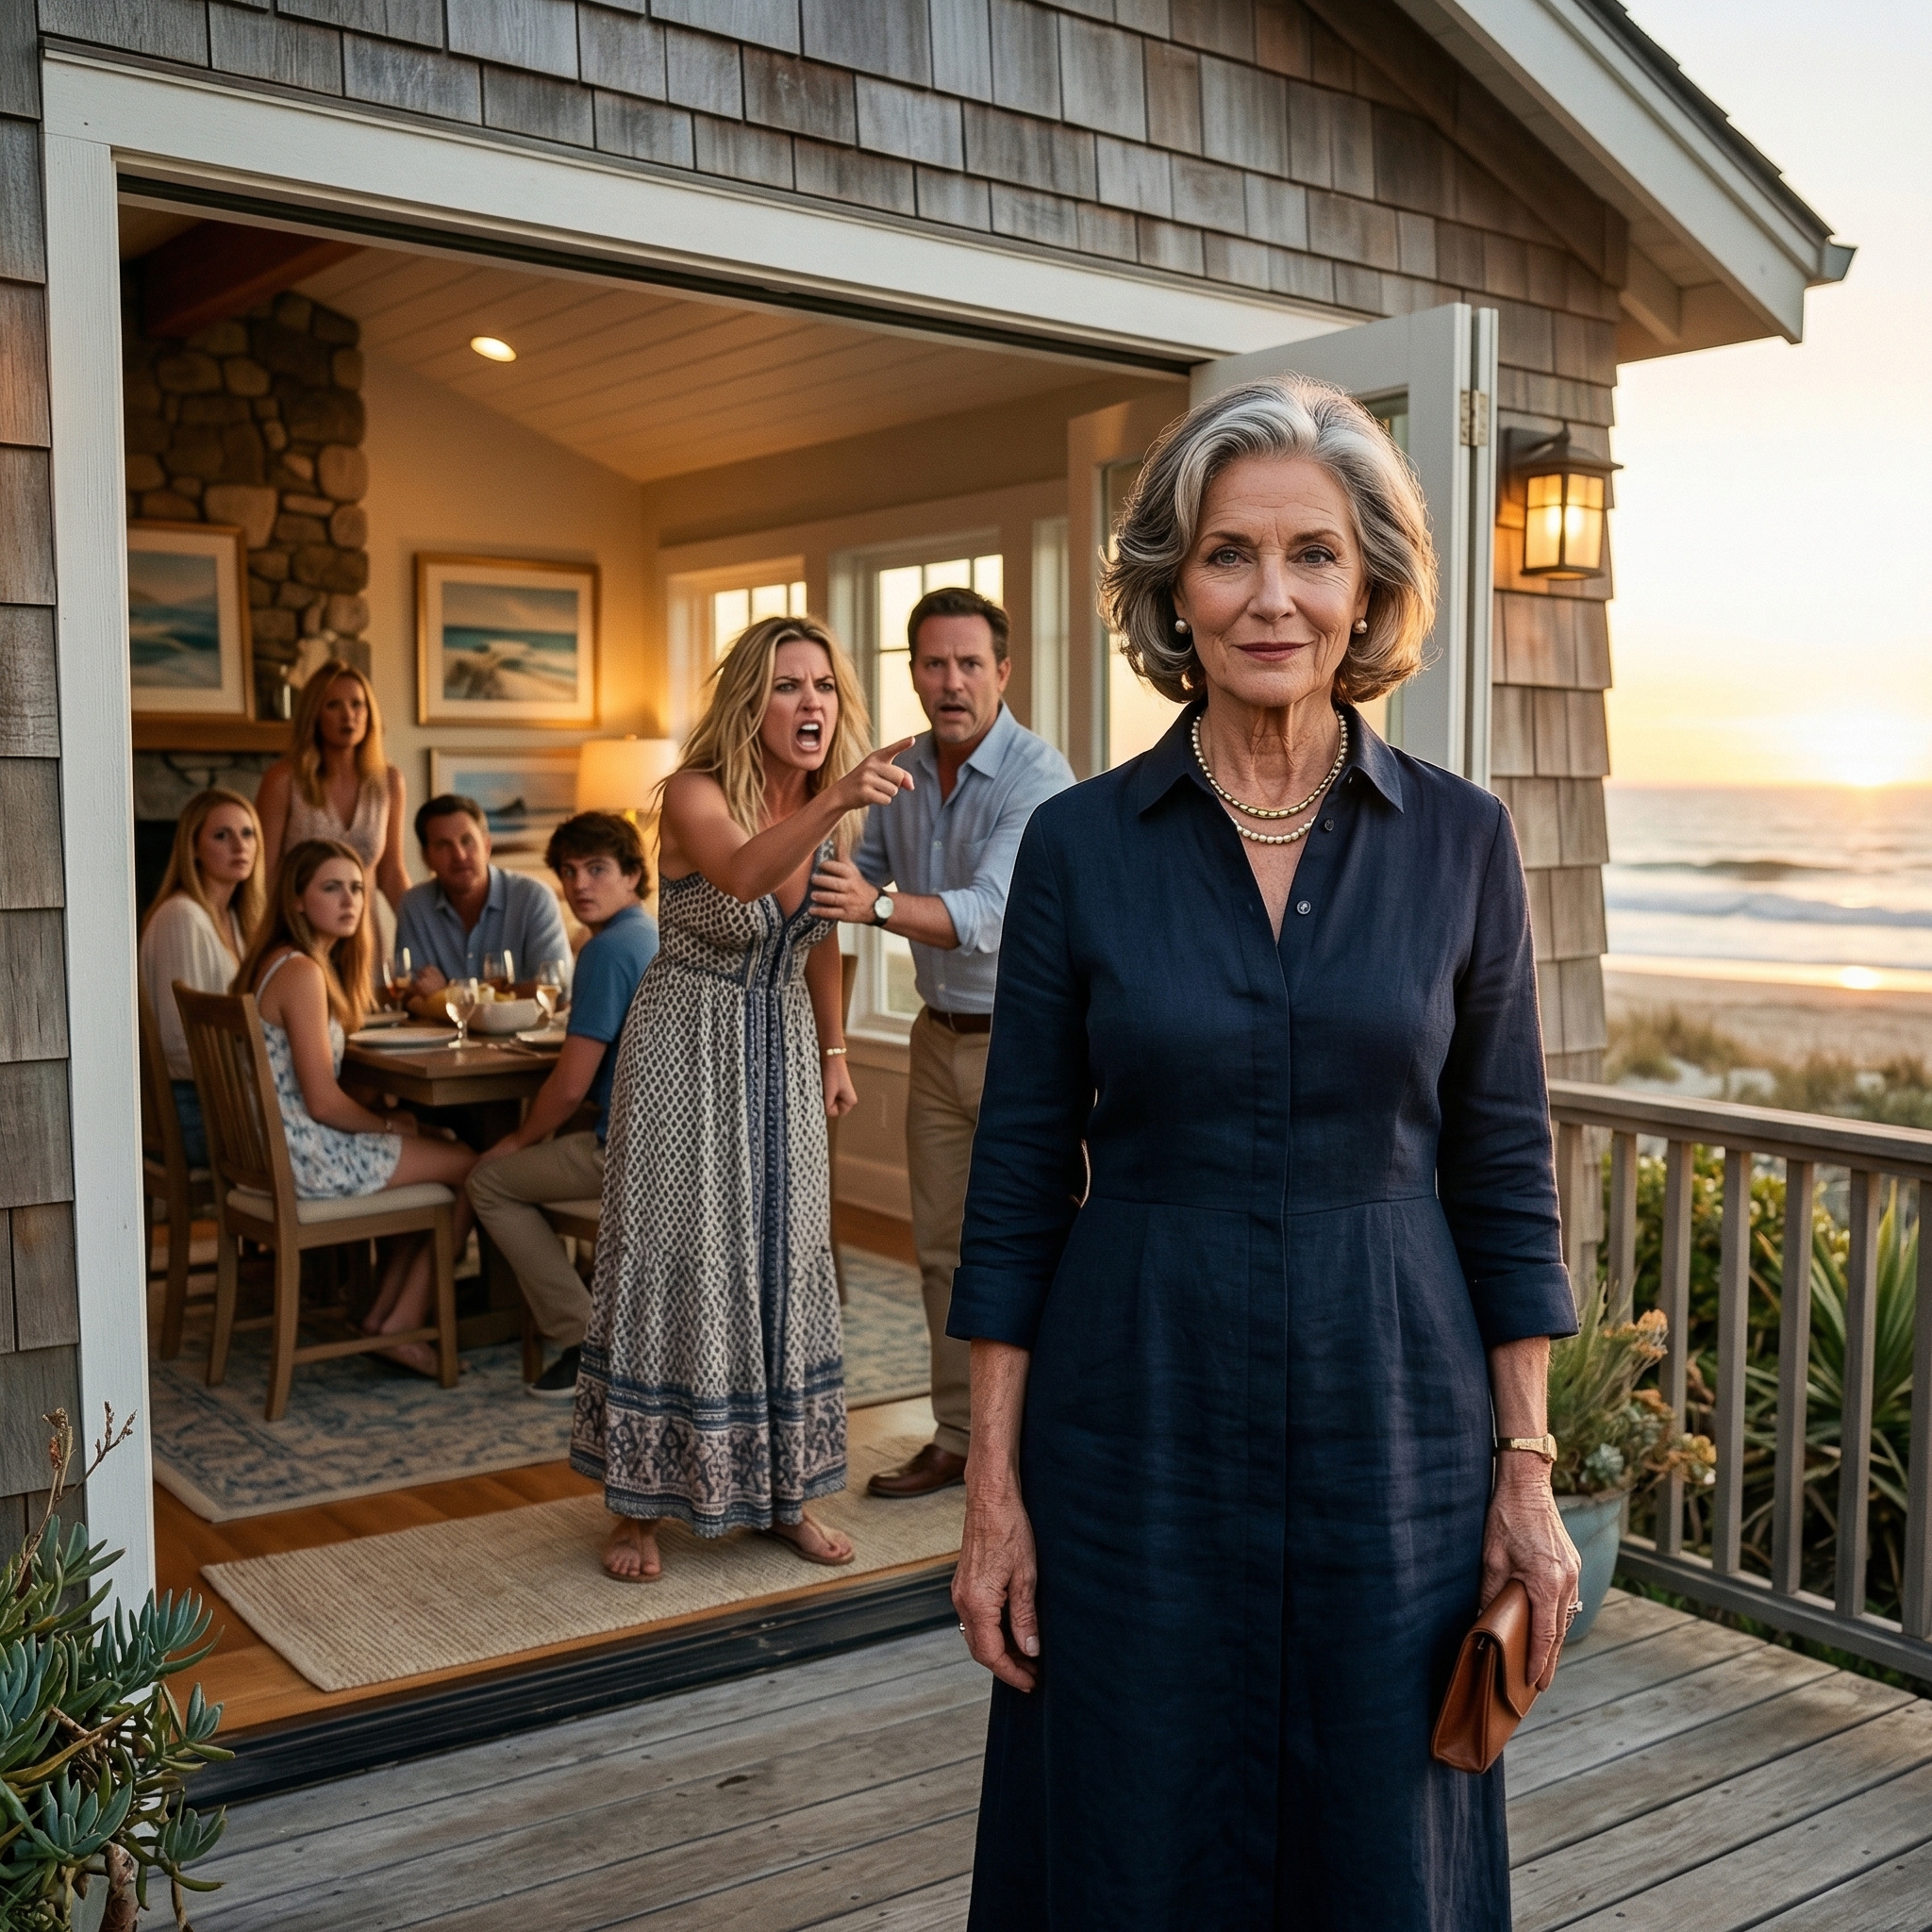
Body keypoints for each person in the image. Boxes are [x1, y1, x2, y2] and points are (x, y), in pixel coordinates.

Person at [947, 377, 1583, 1929]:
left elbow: (1500, 1174)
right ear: (1174, 588)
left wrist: (1525, 1470)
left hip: (1393, 1432)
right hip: (1127, 1430)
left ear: (1366, 584)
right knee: (1126, 1816)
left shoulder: (1460, 839)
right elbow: (1018, 1180)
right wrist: (991, 1489)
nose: (1270, 594)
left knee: (1380, 1834)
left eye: (1311, 553)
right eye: (1227, 555)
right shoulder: (1081, 846)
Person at [570, 614, 918, 1582]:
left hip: (782, 1048)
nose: (810, 703)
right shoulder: (694, 793)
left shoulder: (827, 809)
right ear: (749, 702)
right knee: (677, 1253)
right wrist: (839, 792)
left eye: (822, 686)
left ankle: (782, 1492)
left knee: (783, 1253)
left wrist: (837, 1049)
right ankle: (639, 1505)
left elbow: (824, 932)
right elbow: (739, 872)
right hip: (686, 1043)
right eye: (786, 685)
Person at [810, 587, 1073, 1497]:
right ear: (912, 674)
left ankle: (1044, 1444)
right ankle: (958, 1439)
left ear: (1003, 671)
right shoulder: (903, 773)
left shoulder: (1040, 777)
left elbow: (990, 916)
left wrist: (873, 905)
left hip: (1029, 1047)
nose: (950, 681)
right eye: (933, 663)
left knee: (1031, 1246)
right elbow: (851, 873)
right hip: (935, 1038)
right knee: (940, 1252)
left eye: (969, 663)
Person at [234, 838, 479, 1375]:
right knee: (471, 1164)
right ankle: (401, 1322)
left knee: (433, 1146)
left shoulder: (277, 961)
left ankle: (383, 1318)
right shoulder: (302, 973)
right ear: (296, 899)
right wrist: (392, 1124)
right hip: (307, 1158)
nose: (350, 901)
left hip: (278, 1151)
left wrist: (396, 1126)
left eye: (358, 888)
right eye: (331, 888)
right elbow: (322, 1102)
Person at [467, 812, 660, 1401]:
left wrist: (519, 1139)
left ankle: (583, 1342)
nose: (580, 885)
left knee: (488, 1181)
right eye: (569, 872)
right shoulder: (651, 934)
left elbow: (572, 1086)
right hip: (671, 1146)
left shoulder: (606, 951)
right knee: (538, 1151)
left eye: (597, 869)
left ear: (632, 875)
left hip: (627, 1156)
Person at [139, 787, 265, 1167]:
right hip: (192, 1111)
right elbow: (180, 1042)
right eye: (221, 835)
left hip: (227, 1098)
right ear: (193, 848)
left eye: (247, 833)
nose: (239, 845)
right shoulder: (182, 916)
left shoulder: (240, 921)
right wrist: (262, 1068)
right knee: (318, 1140)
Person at [256, 660, 410, 955]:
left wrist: (429, 929)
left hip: (363, 940)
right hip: (301, 939)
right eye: (333, 705)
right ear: (313, 713)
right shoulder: (283, 780)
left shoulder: (388, 782)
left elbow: (391, 871)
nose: (348, 715)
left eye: (357, 705)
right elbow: (265, 874)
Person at [393, 794, 572, 997]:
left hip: (526, 1029)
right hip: (440, 1030)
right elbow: (412, 994)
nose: (459, 855)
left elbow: (557, 991)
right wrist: (503, 993)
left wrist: (449, 993)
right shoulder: (414, 905)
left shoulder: (534, 898)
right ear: (426, 858)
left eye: (467, 841)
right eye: (443, 845)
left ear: (487, 846)